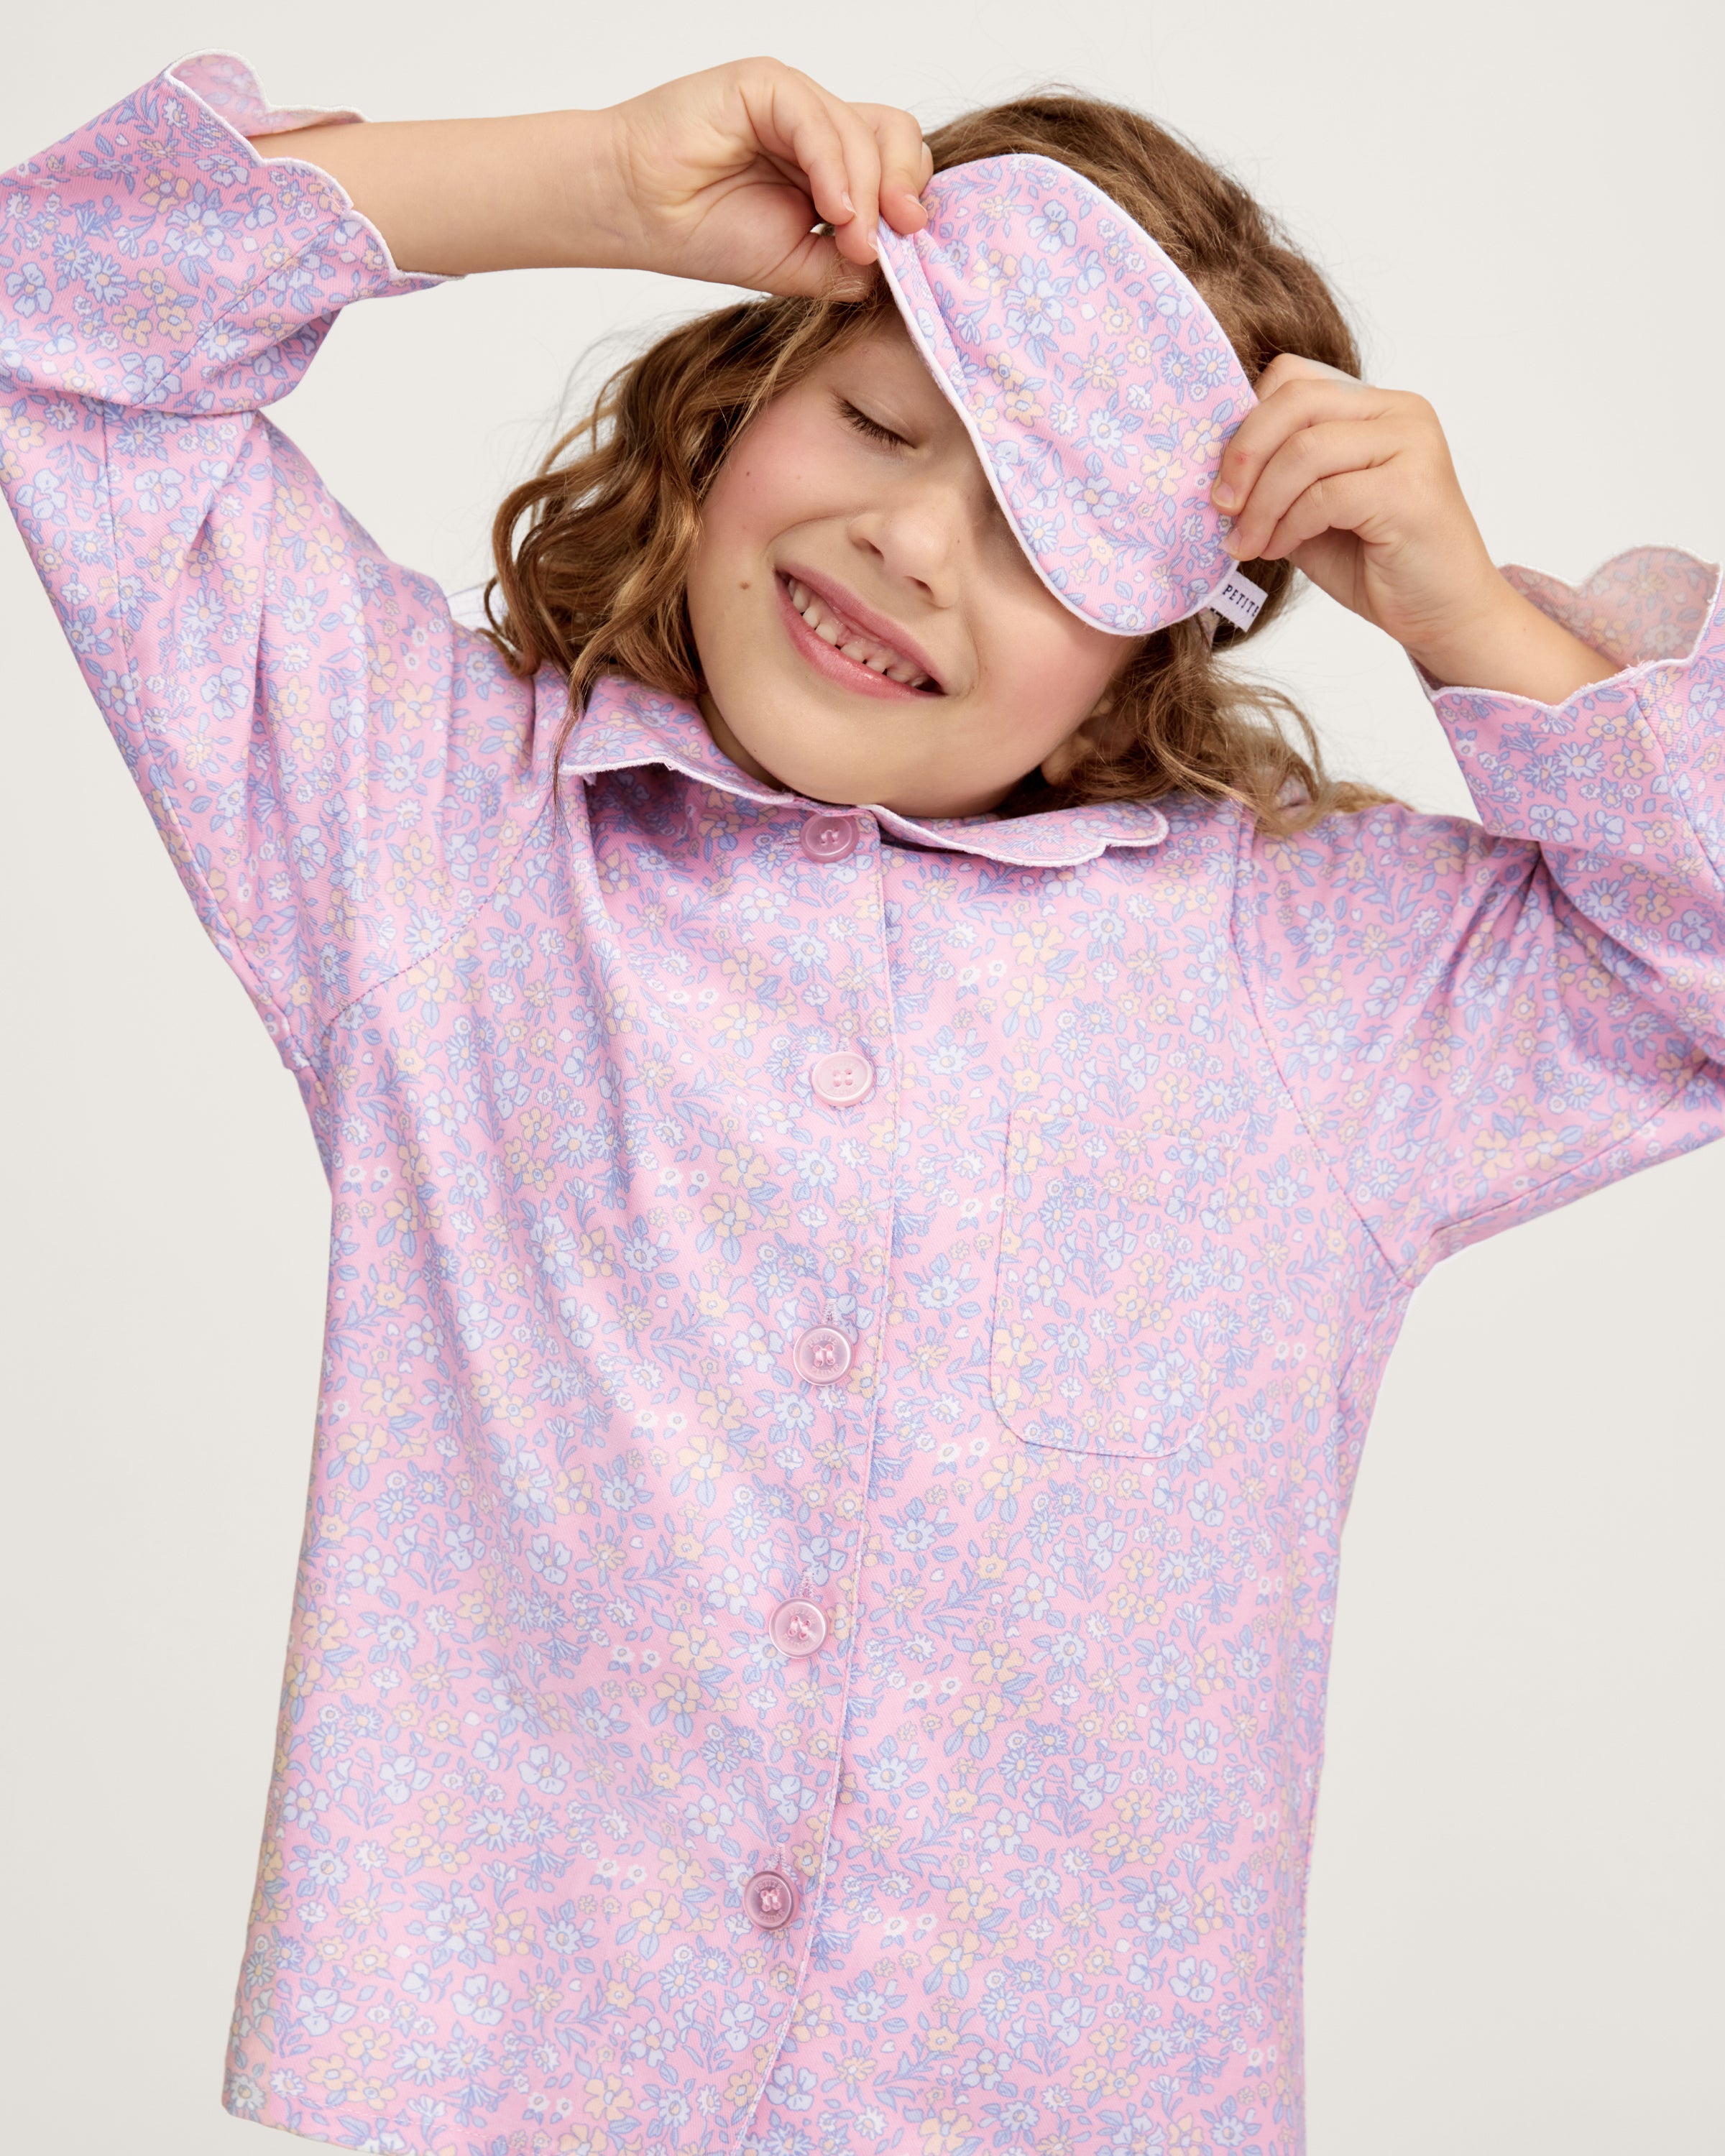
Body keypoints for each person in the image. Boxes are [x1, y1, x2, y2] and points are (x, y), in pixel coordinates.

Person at [2, 46, 1719, 2156]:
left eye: (1041, 534)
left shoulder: (1312, 983)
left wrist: (1468, 620)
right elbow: (56, 311)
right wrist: (593, 183)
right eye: (880, 422)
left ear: (1148, 648)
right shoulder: (442, 842)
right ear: (736, 402)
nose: (910, 540)